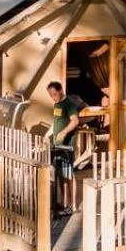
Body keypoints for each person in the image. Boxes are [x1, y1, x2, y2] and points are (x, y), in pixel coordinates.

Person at [47, 81, 87, 215]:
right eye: (51, 95)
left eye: (54, 94)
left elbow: (75, 121)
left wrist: (64, 133)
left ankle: (74, 206)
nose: (53, 97)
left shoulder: (69, 104)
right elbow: (56, 123)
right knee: (60, 175)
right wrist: (48, 136)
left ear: (60, 90)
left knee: (69, 175)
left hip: (66, 145)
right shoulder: (57, 104)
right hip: (57, 145)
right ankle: (65, 204)